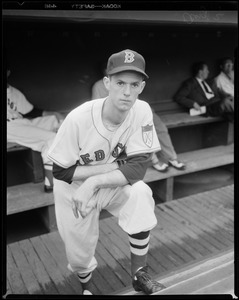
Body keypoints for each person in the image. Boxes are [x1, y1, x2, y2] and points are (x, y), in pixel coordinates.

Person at [47, 49, 166, 295]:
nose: (127, 92)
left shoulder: (142, 110)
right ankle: (87, 289)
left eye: (134, 84)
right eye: (120, 83)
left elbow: (139, 166)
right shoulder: (78, 118)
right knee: (79, 256)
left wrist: (94, 181)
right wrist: (109, 170)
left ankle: (139, 274)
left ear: (142, 86)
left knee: (140, 193)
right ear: (107, 83)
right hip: (73, 190)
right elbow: (60, 171)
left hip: (105, 184)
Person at [92, 67, 185, 172]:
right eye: (108, 69)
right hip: (119, 115)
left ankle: (171, 157)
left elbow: (136, 98)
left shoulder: (129, 80)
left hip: (137, 109)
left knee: (160, 128)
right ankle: (154, 160)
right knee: (142, 132)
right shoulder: (99, 85)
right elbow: (97, 106)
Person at [7, 68, 64, 192]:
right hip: (9, 127)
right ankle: (50, 183)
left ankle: (71, 163)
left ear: (7, 72)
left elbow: (30, 111)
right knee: (51, 138)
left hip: (21, 122)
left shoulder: (13, 91)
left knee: (55, 120)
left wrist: (52, 112)